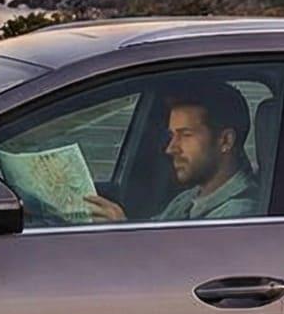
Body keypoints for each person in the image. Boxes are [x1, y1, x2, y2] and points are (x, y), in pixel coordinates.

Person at [86, 80, 261, 223]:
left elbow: (185, 257)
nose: (170, 148)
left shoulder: (238, 215)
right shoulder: (189, 199)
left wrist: (122, 232)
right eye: (172, 135)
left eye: (186, 135)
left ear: (225, 141)